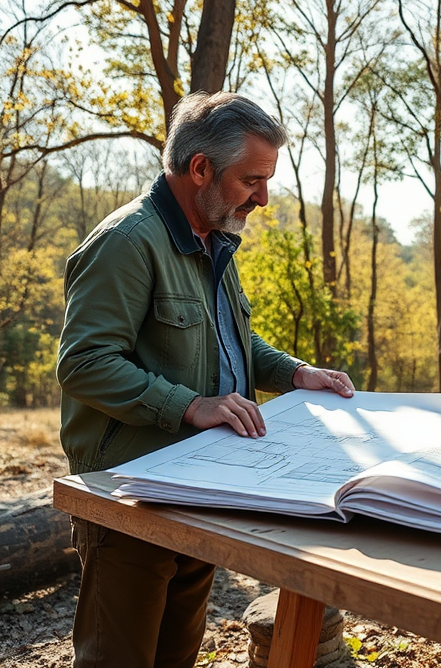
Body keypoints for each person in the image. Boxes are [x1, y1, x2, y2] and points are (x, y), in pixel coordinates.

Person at [57, 91, 357, 668]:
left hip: (199, 485)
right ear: (200, 169)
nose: (263, 198)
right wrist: (191, 406)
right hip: (131, 494)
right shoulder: (127, 242)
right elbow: (84, 363)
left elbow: (230, 345)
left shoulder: (213, 238)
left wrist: (294, 373)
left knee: (177, 656)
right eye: (252, 180)